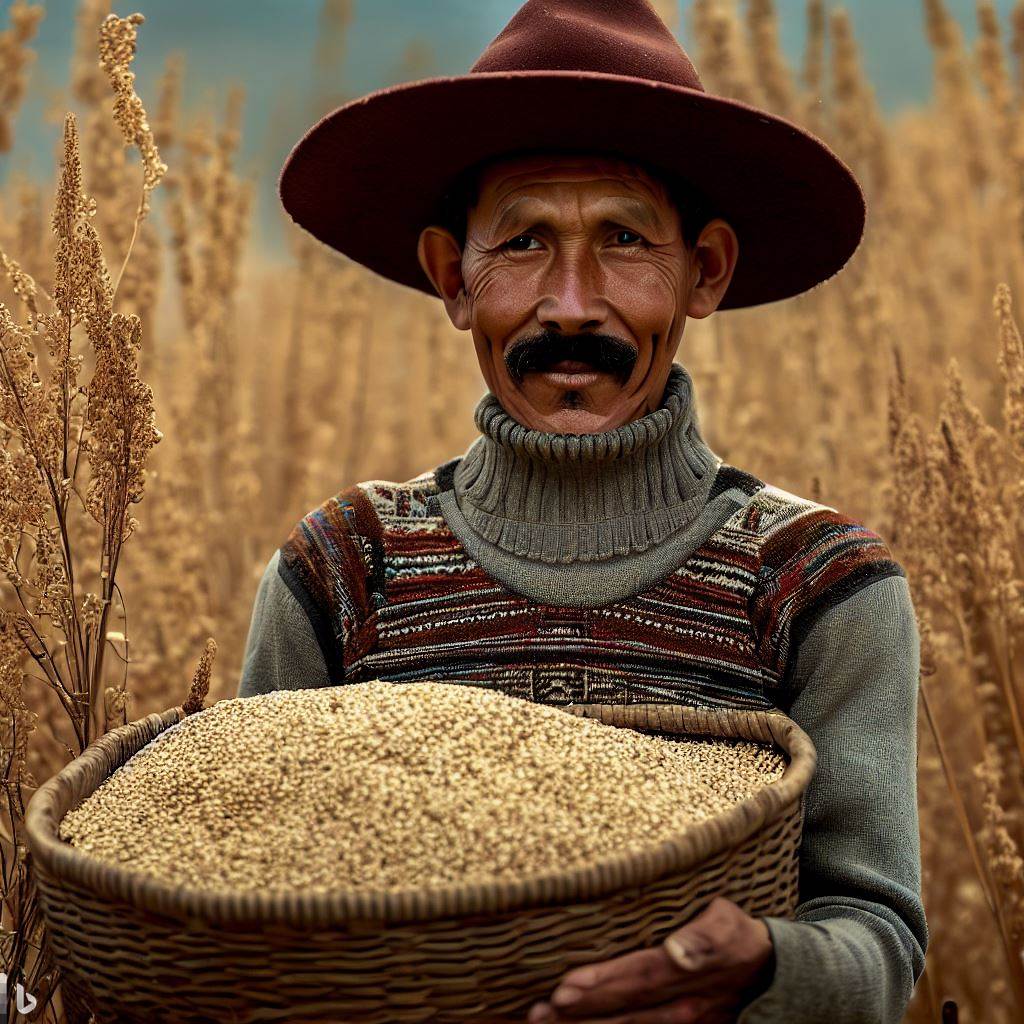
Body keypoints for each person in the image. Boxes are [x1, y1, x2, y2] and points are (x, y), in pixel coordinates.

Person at [241, 1, 928, 1020]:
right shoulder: (345, 569)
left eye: (622, 239)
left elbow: (877, 936)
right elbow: (244, 890)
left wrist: (764, 970)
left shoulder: (817, 581)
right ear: (452, 278)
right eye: (521, 242)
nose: (569, 303)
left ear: (706, 272)